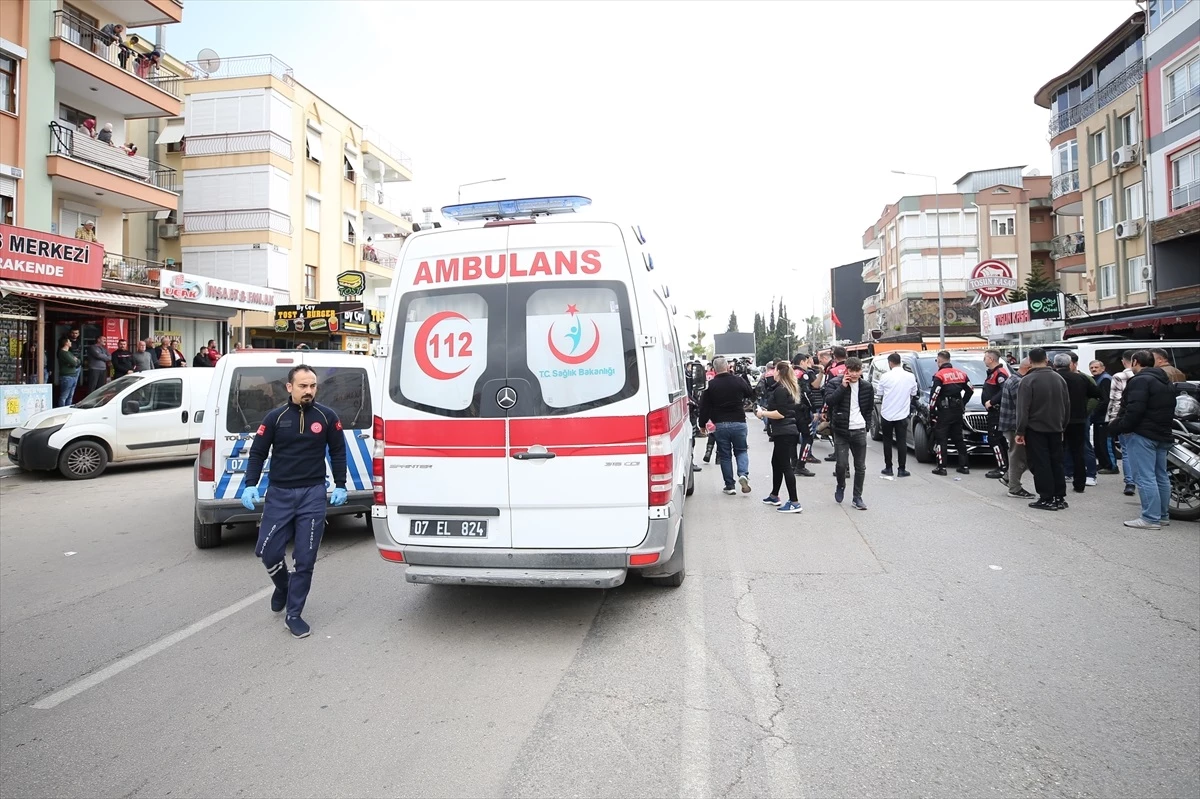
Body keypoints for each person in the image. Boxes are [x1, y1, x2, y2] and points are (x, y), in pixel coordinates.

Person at [240, 365, 348, 639]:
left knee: (306, 558)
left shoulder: (327, 416)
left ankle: (294, 613)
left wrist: (341, 484)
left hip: (312, 494)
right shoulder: (275, 418)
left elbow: (337, 451)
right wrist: (250, 485)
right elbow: (258, 453)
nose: (309, 390)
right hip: (280, 494)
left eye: (312, 385)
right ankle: (283, 585)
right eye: (303, 386)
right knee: (267, 551)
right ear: (290, 387)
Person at [1115, 350, 1177, 529]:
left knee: (1145, 476)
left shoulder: (1141, 380)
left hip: (1144, 434)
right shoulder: (1165, 380)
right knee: (1161, 476)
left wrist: (1122, 426)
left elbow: (1135, 409)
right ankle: (1162, 515)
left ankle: (1150, 518)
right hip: (1162, 432)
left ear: (1135, 362)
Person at [1016, 348, 1070, 511]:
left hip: (1036, 428)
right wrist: (1062, 427)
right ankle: (1059, 497)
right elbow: (1066, 405)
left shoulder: (1027, 380)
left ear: (1030, 361)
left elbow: (1023, 409)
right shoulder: (1059, 378)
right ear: (1046, 359)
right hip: (1056, 427)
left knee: (1041, 463)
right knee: (1057, 462)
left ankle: (1046, 497)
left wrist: (1020, 431)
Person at [696, 355, 755, 496]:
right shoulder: (738, 380)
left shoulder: (711, 386)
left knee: (725, 455)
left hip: (721, 424)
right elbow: (750, 393)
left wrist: (702, 424)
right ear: (728, 367)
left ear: (714, 369)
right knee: (741, 451)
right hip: (739, 422)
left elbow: (705, 407)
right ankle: (743, 474)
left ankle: (730, 485)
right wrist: (743, 376)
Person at [825, 356, 874, 510]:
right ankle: (840, 485)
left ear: (861, 371)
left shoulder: (867, 386)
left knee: (860, 466)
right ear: (846, 370)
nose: (854, 374)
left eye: (857, 371)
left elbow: (869, 409)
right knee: (841, 464)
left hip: (859, 429)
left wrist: (865, 426)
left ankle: (857, 497)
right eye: (851, 371)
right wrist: (842, 387)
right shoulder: (834, 383)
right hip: (841, 429)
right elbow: (829, 401)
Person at [755, 361, 803, 513]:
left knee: (785, 466)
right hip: (784, 431)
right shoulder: (785, 388)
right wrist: (765, 410)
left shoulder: (781, 390)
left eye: (774, 370)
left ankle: (794, 502)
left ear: (779, 372)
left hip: (784, 431)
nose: (772, 373)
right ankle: (774, 495)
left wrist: (763, 413)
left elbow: (780, 413)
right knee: (776, 462)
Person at [1053, 353, 1101, 494]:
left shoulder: (1054, 378)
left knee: (1058, 452)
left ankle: (1059, 482)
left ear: (1055, 365)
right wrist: (1085, 408)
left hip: (1058, 420)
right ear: (1070, 364)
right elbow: (1097, 394)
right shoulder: (1081, 378)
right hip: (1078, 419)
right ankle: (1080, 483)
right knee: (1078, 451)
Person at [928, 350, 973, 476]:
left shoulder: (939, 375)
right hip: (957, 410)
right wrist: (962, 403)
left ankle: (941, 467)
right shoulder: (961, 374)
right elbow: (970, 390)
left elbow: (934, 395)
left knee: (941, 438)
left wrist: (932, 412)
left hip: (944, 411)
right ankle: (964, 466)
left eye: (937, 360)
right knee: (958, 438)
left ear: (940, 360)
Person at [875, 352, 917, 477]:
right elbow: (914, 392)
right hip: (902, 414)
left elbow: (879, 393)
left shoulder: (885, 376)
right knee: (901, 441)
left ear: (890, 363)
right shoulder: (910, 376)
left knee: (887, 441)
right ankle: (901, 469)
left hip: (887, 413)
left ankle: (888, 468)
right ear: (900, 362)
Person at [998, 357, 1033, 499]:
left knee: (1021, 456)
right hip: (1015, 425)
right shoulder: (1019, 383)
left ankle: (1008, 478)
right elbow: (1022, 407)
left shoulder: (1013, 379)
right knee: (1019, 456)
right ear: (1029, 368)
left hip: (1010, 423)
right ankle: (1014, 488)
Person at [1106, 351, 1137, 497]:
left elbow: (1115, 401)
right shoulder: (1151, 374)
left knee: (1126, 452)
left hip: (1125, 418)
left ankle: (1130, 483)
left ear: (1124, 362)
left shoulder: (1120, 376)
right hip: (1144, 420)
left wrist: (1112, 421)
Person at [981, 349, 1010, 480]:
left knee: (994, 439)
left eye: (985, 357)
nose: (984, 360)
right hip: (993, 411)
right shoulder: (993, 373)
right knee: (998, 439)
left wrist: (991, 402)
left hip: (996, 411)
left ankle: (1002, 467)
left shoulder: (999, 373)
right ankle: (1004, 465)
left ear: (991, 359)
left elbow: (1004, 389)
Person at [790, 352, 817, 477]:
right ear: (801, 362)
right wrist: (814, 409)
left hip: (790, 410)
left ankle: (793, 463)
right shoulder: (803, 375)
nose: (807, 365)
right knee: (808, 437)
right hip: (802, 411)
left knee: (793, 439)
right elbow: (806, 394)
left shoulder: (789, 373)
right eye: (806, 362)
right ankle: (801, 465)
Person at [1089, 360, 1118, 475]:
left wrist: (1094, 413)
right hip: (1099, 417)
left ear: (1103, 368)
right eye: (1091, 367)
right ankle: (1103, 463)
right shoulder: (1097, 379)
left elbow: (1105, 400)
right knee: (1098, 442)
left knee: (1106, 442)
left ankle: (1111, 466)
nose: (1094, 369)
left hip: (1104, 417)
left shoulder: (1105, 379)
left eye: (1096, 367)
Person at [820, 346, 849, 462]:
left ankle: (839, 453)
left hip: (836, 404)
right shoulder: (851, 368)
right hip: (850, 404)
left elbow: (828, 391)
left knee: (836, 430)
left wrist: (825, 409)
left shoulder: (832, 371)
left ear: (834, 357)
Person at [56, 337, 81, 407]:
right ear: (66, 343)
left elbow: (79, 361)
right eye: (69, 341)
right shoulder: (63, 353)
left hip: (72, 376)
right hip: (67, 376)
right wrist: (74, 361)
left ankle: (67, 408)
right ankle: (61, 409)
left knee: (70, 395)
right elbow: (74, 363)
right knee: (64, 396)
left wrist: (75, 361)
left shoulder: (69, 352)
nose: (71, 343)